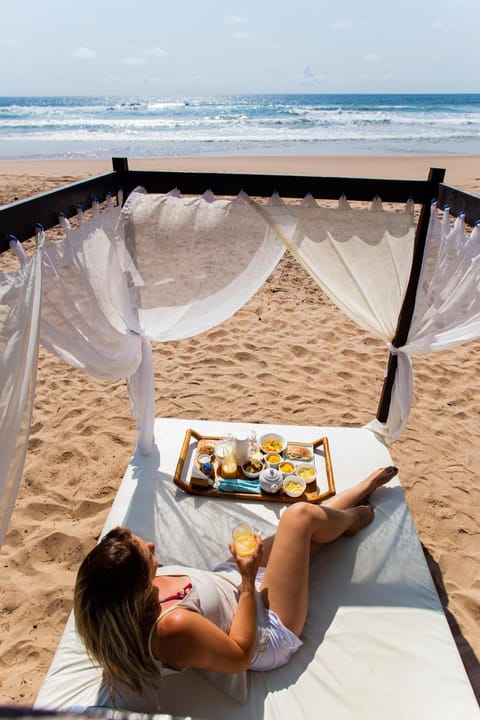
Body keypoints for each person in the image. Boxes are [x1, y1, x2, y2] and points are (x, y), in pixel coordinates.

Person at [74, 465, 397, 699]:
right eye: (147, 554)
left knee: (299, 531)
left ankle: (355, 496)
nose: (152, 546)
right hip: (265, 629)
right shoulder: (171, 628)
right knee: (299, 519)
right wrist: (245, 580)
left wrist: (242, 575)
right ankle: (356, 518)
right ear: (136, 589)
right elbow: (240, 656)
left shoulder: (113, 599)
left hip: (237, 586)